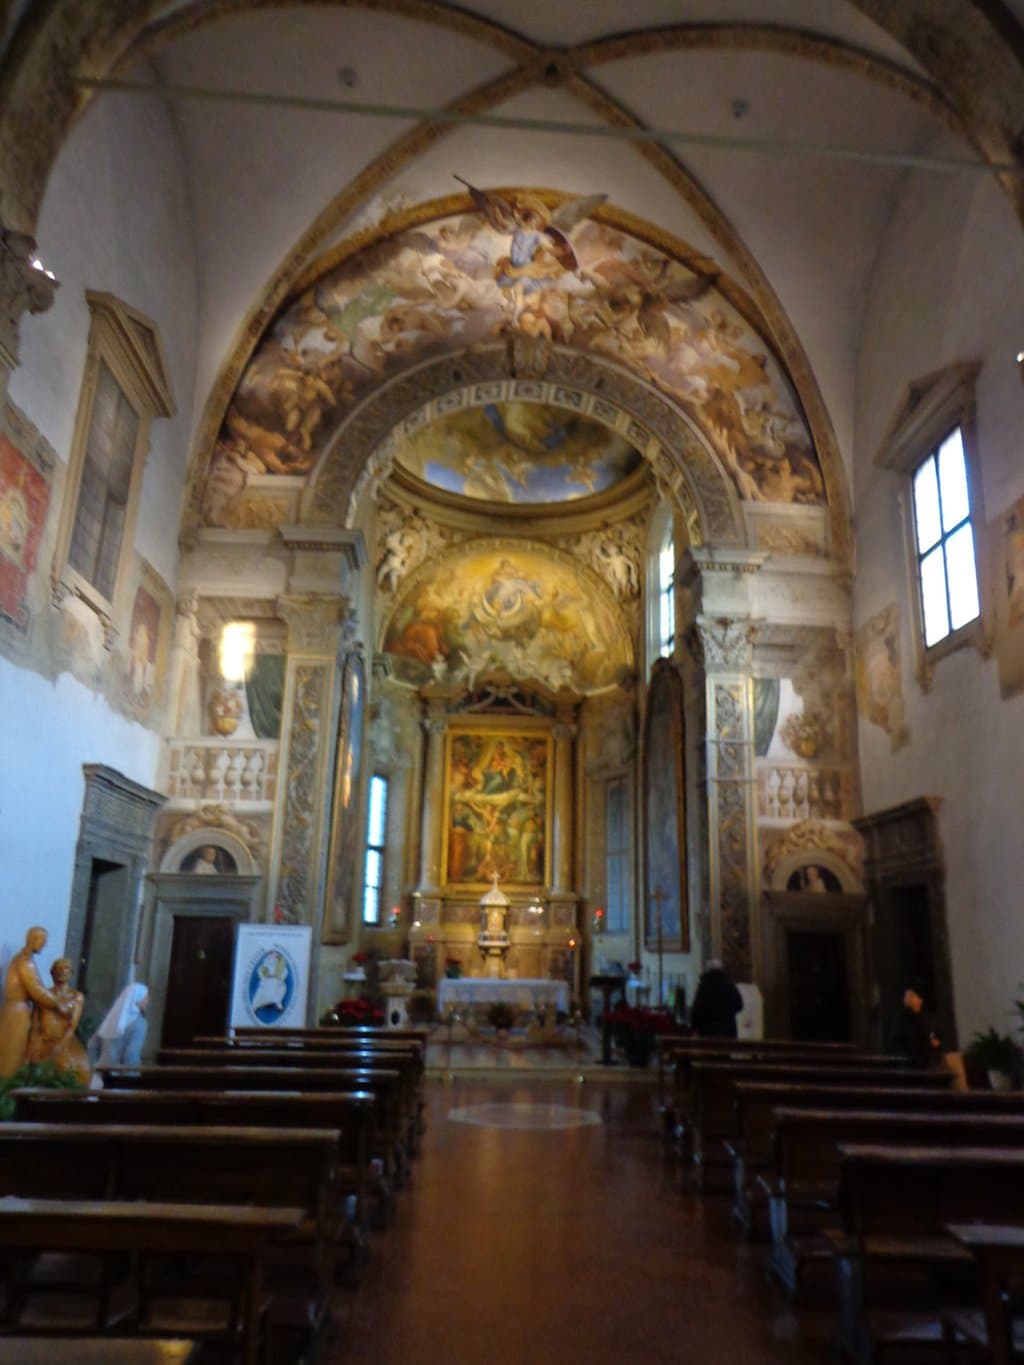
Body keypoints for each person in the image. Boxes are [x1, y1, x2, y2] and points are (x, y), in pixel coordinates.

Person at [0, 926, 72, 1078]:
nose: (44, 945)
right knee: (12, 1053)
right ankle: (7, 1090)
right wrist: (59, 1004)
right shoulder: (25, 962)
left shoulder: (25, 960)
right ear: (33, 940)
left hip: (18, 1010)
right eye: (42, 941)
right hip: (17, 1013)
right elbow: (37, 990)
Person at [27, 958, 90, 1085]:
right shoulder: (43, 995)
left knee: (66, 1066)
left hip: (64, 1040)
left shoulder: (76, 996)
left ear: (71, 973)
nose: (62, 971)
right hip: (42, 1040)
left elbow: (72, 1026)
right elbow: (35, 1023)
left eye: (65, 968)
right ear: (52, 973)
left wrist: (59, 1046)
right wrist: (34, 1041)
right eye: (59, 968)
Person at [92, 983, 149, 1068]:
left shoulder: (110, 1018)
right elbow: (131, 1054)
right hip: (122, 1076)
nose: (148, 1001)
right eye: (146, 997)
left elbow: (93, 1044)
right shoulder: (139, 1023)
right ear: (137, 998)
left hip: (101, 1073)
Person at [888, 979, 942, 1067]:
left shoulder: (928, 1019)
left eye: (911, 996)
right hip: (908, 1062)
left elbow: (935, 1037)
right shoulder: (901, 1019)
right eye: (906, 995)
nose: (907, 998)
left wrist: (934, 1042)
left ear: (920, 1000)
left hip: (928, 1062)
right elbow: (897, 1040)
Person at [690, 958, 744, 1039]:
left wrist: (694, 1028)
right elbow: (739, 1005)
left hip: (707, 1031)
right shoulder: (729, 985)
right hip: (727, 1030)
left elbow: (697, 1009)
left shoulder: (704, 986)